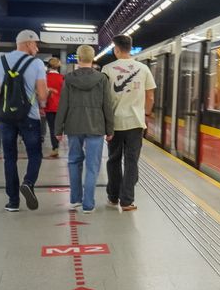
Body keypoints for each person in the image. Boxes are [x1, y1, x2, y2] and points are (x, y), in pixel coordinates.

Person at [0, 30, 49, 211]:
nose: (37, 47)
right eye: (35, 43)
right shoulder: (36, 64)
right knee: (35, 154)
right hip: (29, 116)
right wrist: (44, 93)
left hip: (5, 117)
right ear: (27, 44)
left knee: (9, 158)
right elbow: (43, 96)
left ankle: (13, 202)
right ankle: (28, 183)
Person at [55, 45, 114, 213]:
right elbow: (107, 106)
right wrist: (110, 129)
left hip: (74, 125)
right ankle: (88, 204)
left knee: (74, 161)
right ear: (93, 58)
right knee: (92, 165)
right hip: (96, 126)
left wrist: (58, 129)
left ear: (78, 58)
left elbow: (63, 104)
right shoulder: (102, 78)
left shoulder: (68, 78)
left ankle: (75, 199)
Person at [103, 34, 155, 212]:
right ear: (130, 48)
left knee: (113, 159)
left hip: (115, 123)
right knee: (132, 161)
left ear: (116, 49)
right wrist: (146, 114)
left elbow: (104, 99)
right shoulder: (143, 69)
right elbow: (150, 96)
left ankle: (112, 197)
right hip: (136, 123)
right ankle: (127, 201)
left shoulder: (107, 69)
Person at [44, 57, 64, 157]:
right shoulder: (62, 78)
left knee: (52, 127)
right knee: (58, 127)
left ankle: (55, 147)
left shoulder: (44, 78)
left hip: (48, 106)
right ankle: (57, 143)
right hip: (60, 107)